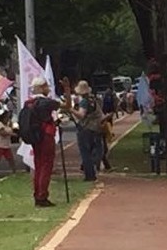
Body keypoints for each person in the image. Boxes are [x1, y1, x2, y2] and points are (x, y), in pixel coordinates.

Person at [25, 77, 62, 206]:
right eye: (46, 86)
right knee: (46, 165)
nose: (48, 88)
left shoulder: (29, 103)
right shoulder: (46, 102)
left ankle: (37, 194)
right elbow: (65, 105)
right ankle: (42, 196)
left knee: (38, 165)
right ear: (41, 88)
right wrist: (67, 90)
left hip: (35, 137)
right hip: (46, 135)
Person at [67, 80, 106, 183]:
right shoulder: (93, 99)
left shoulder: (84, 101)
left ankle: (90, 175)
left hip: (86, 128)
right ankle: (95, 165)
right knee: (95, 148)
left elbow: (81, 115)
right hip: (96, 128)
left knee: (85, 153)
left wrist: (71, 110)